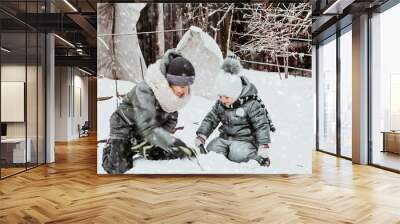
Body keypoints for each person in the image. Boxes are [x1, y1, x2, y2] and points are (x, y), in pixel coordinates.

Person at [102, 50, 196, 174]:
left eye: (186, 85)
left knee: (164, 153)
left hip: (148, 131)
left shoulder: (172, 99)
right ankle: (111, 147)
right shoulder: (145, 90)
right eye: (179, 84)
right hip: (124, 126)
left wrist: (165, 142)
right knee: (119, 168)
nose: (183, 90)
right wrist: (171, 142)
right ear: (168, 81)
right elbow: (146, 125)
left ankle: (139, 145)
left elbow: (170, 120)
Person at [195, 57, 273, 166]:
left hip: (246, 140)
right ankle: (225, 153)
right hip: (225, 137)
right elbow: (211, 119)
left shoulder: (251, 104)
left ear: (235, 93)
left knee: (237, 154)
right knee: (212, 149)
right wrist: (202, 135)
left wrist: (263, 144)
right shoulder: (220, 104)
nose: (222, 100)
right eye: (220, 96)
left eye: (226, 97)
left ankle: (259, 159)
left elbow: (261, 124)